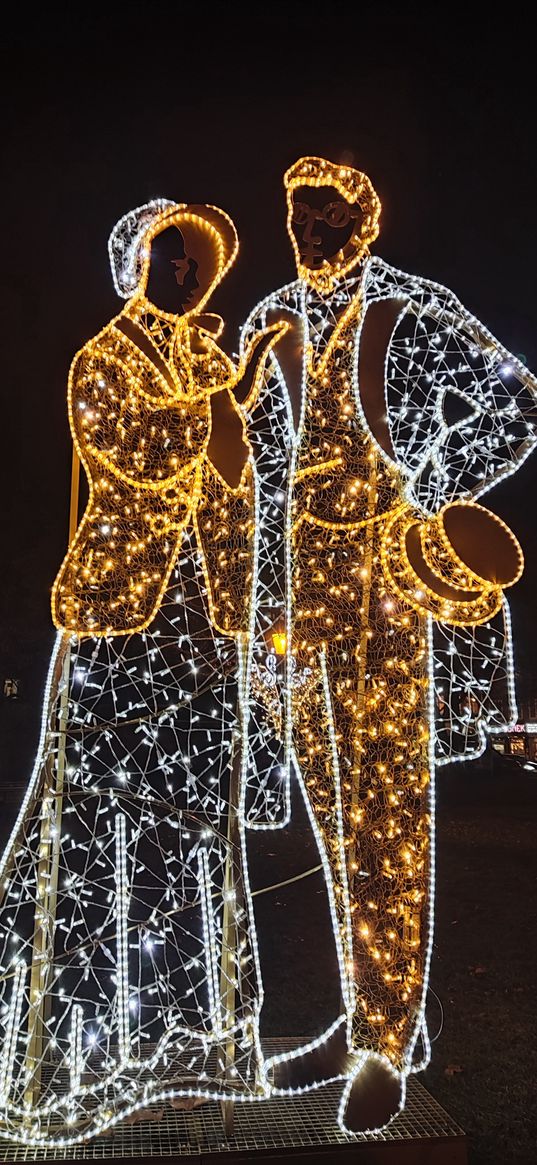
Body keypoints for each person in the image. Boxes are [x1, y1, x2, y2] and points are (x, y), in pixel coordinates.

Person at [240, 156, 536, 1132]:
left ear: (365, 221)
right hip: (297, 592)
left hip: (383, 580)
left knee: (389, 812)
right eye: (301, 214)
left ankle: (389, 1045)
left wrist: (435, 485)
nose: (314, 230)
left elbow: (515, 402)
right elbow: (244, 452)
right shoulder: (268, 316)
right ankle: (356, 1017)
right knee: (331, 820)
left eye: (332, 214)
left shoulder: (409, 306)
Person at [0, 200, 284, 1144]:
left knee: (198, 829)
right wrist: (220, 392)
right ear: (139, 263)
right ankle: (79, 1061)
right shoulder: (103, 360)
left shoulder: (208, 369)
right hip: (123, 619)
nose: (185, 275)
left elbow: (238, 485)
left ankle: (191, 1046)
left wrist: (243, 397)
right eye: (171, 256)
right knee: (93, 825)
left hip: (199, 628)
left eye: (198, 262)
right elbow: (146, 458)